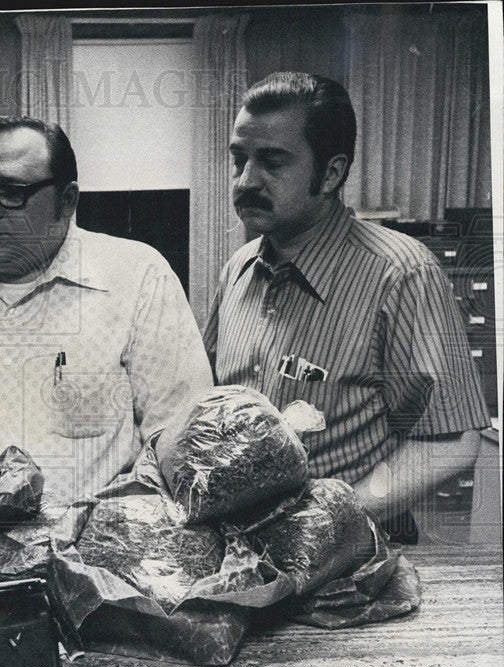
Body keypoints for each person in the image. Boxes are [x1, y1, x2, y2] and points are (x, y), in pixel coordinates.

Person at [202, 71, 490, 543]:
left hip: (351, 559)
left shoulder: (401, 273)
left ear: (332, 173)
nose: (246, 180)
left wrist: (337, 512)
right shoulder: (237, 269)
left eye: (273, 162)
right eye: (239, 160)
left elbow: (452, 443)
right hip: (247, 551)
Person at [0, 115, 212, 504]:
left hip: (92, 545)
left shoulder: (136, 277)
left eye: (11, 192)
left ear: (67, 200)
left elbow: (179, 436)